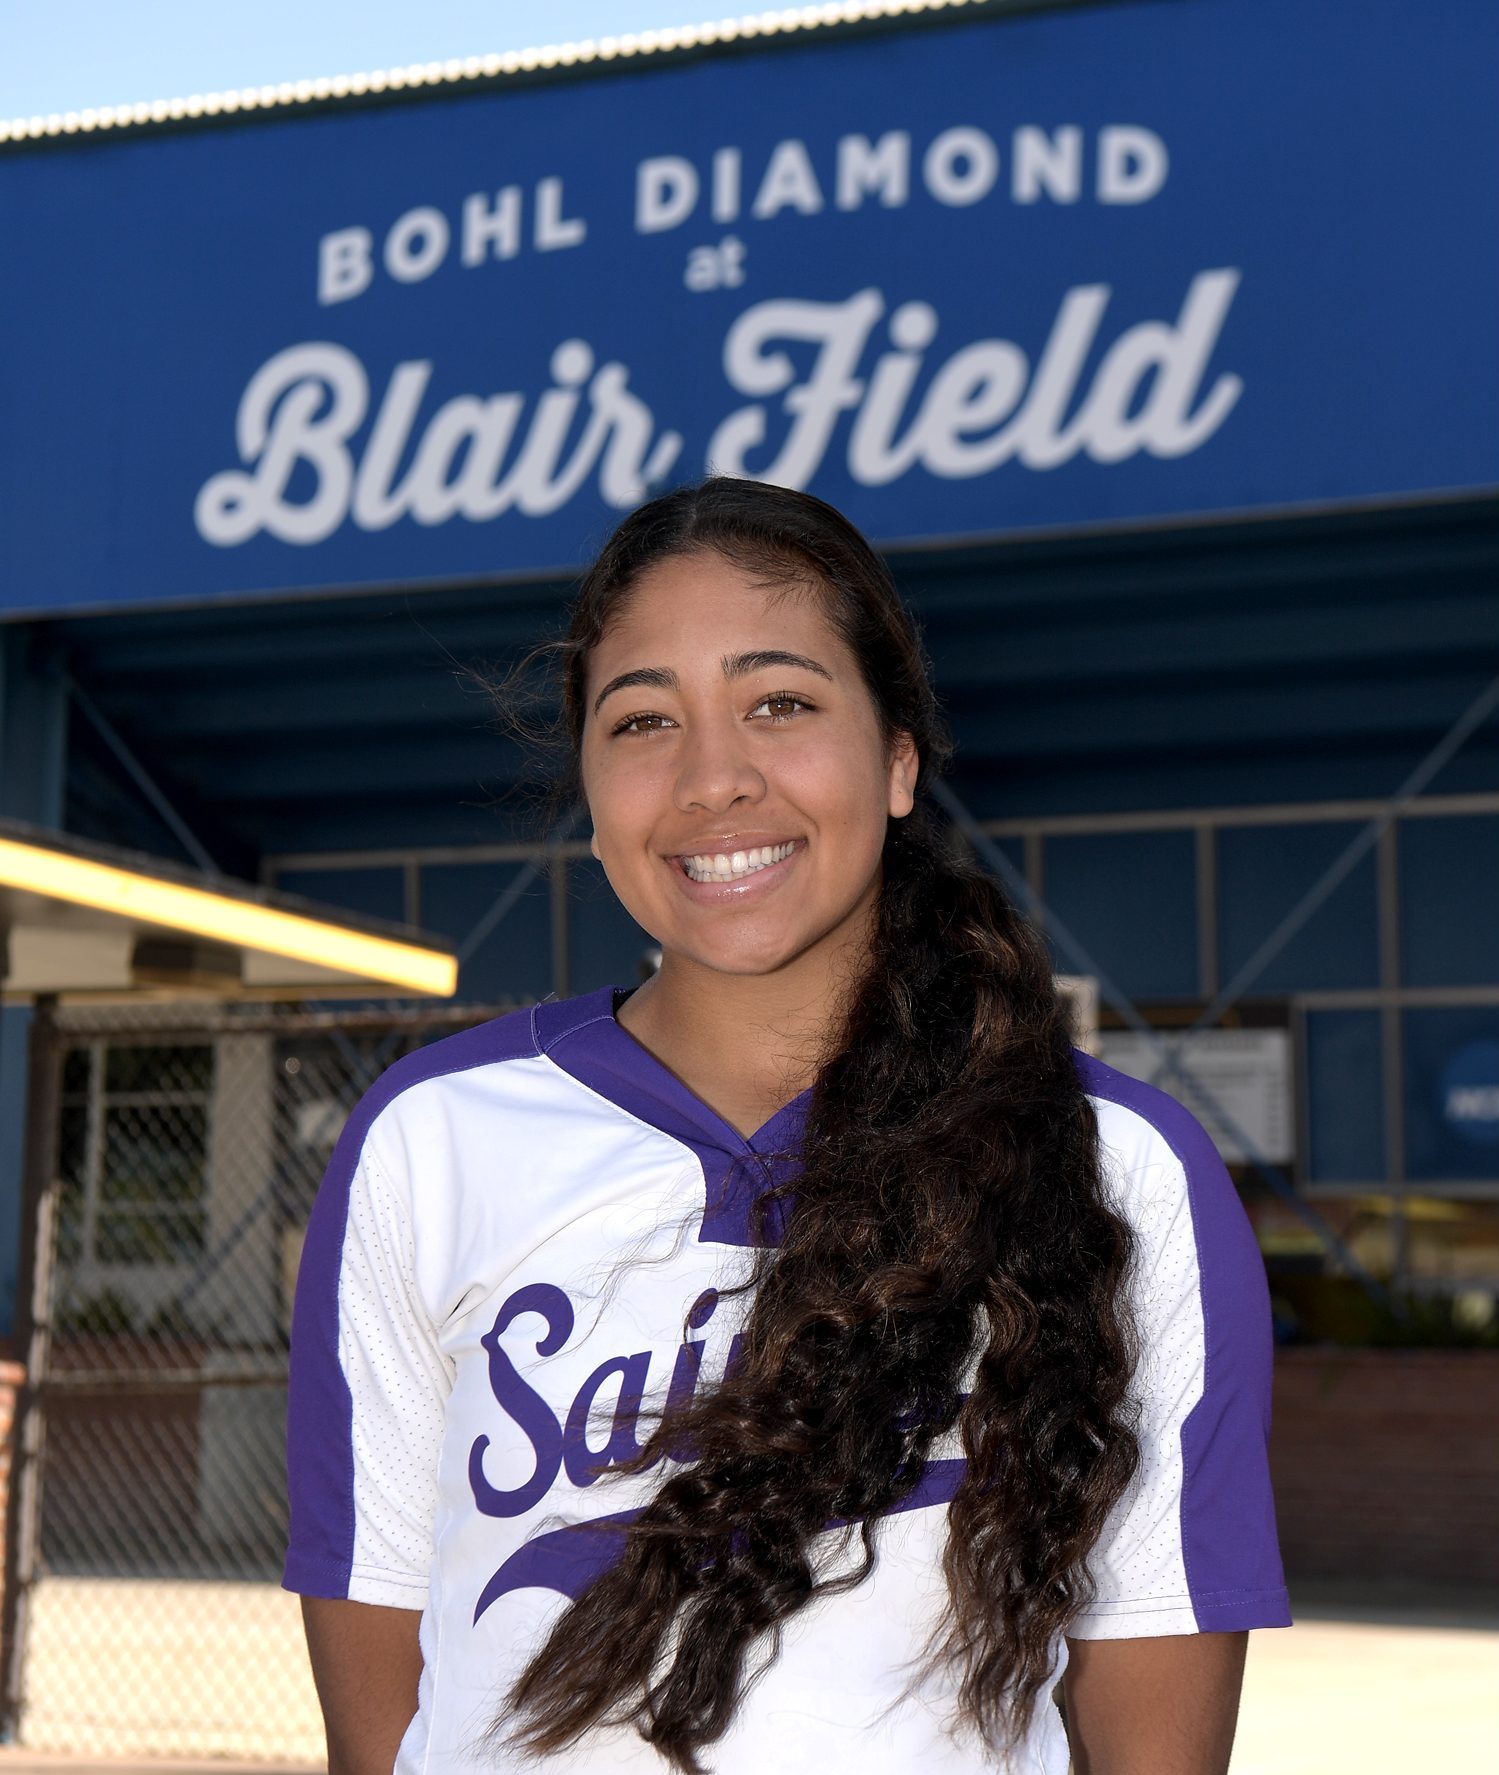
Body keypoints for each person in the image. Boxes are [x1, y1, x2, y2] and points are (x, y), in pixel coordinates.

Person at [284, 477, 1291, 1775]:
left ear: (898, 760)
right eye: (643, 720)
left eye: (781, 704)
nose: (714, 778)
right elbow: (384, 1713)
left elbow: (1153, 1722)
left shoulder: (1120, 1165)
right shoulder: (429, 1140)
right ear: (590, 791)